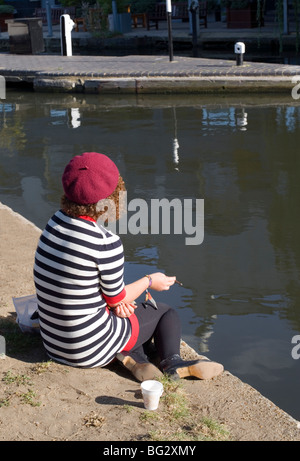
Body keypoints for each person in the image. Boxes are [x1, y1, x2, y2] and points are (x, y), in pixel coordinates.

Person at [33, 152, 223, 382]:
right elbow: (117, 297)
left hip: (55, 345)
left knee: (129, 317)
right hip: (89, 349)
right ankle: (172, 363)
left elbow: (92, 289)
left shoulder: (54, 224)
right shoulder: (105, 243)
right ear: (113, 197)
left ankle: (138, 361)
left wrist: (117, 304)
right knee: (163, 312)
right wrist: (150, 281)